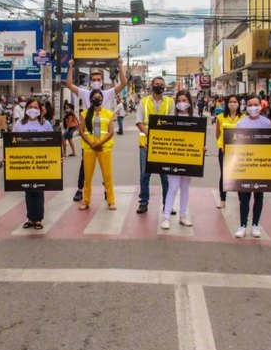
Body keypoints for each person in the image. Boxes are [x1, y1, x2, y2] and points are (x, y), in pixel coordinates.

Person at [65, 57, 127, 202]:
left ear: (102, 80)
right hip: (89, 132)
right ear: (89, 81)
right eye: (93, 79)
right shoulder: (84, 93)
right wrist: (70, 66)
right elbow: (68, 84)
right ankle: (80, 190)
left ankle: (107, 191)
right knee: (85, 164)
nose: (96, 81)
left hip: (104, 132)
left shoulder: (108, 93)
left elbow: (123, 83)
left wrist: (120, 65)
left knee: (105, 166)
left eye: (98, 79)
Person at [161, 90, 203, 229]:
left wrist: (202, 149)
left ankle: (183, 216)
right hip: (173, 156)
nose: (181, 103)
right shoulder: (170, 118)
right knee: (172, 187)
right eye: (179, 101)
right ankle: (166, 217)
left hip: (189, 158)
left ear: (190, 102)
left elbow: (200, 139)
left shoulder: (196, 118)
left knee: (185, 187)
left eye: (184, 100)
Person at [234, 95, 271, 238]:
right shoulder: (241, 123)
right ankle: (242, 225)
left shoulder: (267, 123)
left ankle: (255, 225)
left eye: (255, 104)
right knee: (244, 196)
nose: (253, 107)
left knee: (259, 195)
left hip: (261, 164)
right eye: (250, 105)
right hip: (246, 163)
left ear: (260, 106)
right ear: (246, 106)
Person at [13, 97, 55, 230]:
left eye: (35, 107)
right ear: (26, 109)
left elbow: (53, 143)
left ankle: (38, 219)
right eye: (30, 107)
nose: (33, 110)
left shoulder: (45, 124)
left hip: (41, 163)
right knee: (28, 190)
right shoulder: (19, 124)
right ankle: (30, 218)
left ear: (41, 109)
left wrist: (57, 159)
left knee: (38, 190)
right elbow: (12, 143)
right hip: (25, 163)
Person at [136, 76, 174, 214]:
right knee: (145, 175)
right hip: (145, 145)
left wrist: (161, 139)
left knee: (165, 177)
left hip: (164, 146)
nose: (159, 86)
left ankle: (167, 205)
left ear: (164, 87)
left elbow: (173, 122)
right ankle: (143, 203)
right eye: (156, 84)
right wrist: (150, 135)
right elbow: (139, 122)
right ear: (152, 85)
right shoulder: (143, 102)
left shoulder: (170, 102)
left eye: (161, 84)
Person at [78, 89, 116, 211]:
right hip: (89, 149)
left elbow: (111, 132)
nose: (97, 99)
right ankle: (86, 200)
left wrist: (100, 143)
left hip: (104, 148)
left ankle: (111, 201)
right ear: (91, 99)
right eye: (95, 97)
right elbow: (81, 131)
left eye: (99, 97)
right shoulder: (84, 114)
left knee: (107, 176)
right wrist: (91, 144)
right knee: (87, 177)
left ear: (102, 99)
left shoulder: (108, 114)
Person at [215, 95, 243, 209]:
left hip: (239, 152)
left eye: (235, 101)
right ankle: (222, 200)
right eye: (230, 102)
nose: (232, 104)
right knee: (224, 175)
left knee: (239, 175)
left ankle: (242, 199)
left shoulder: (244, 117)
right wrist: (221, 145)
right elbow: (218, 133)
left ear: (238, 103)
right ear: (227, 104)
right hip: (224, 150)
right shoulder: (220, 117)